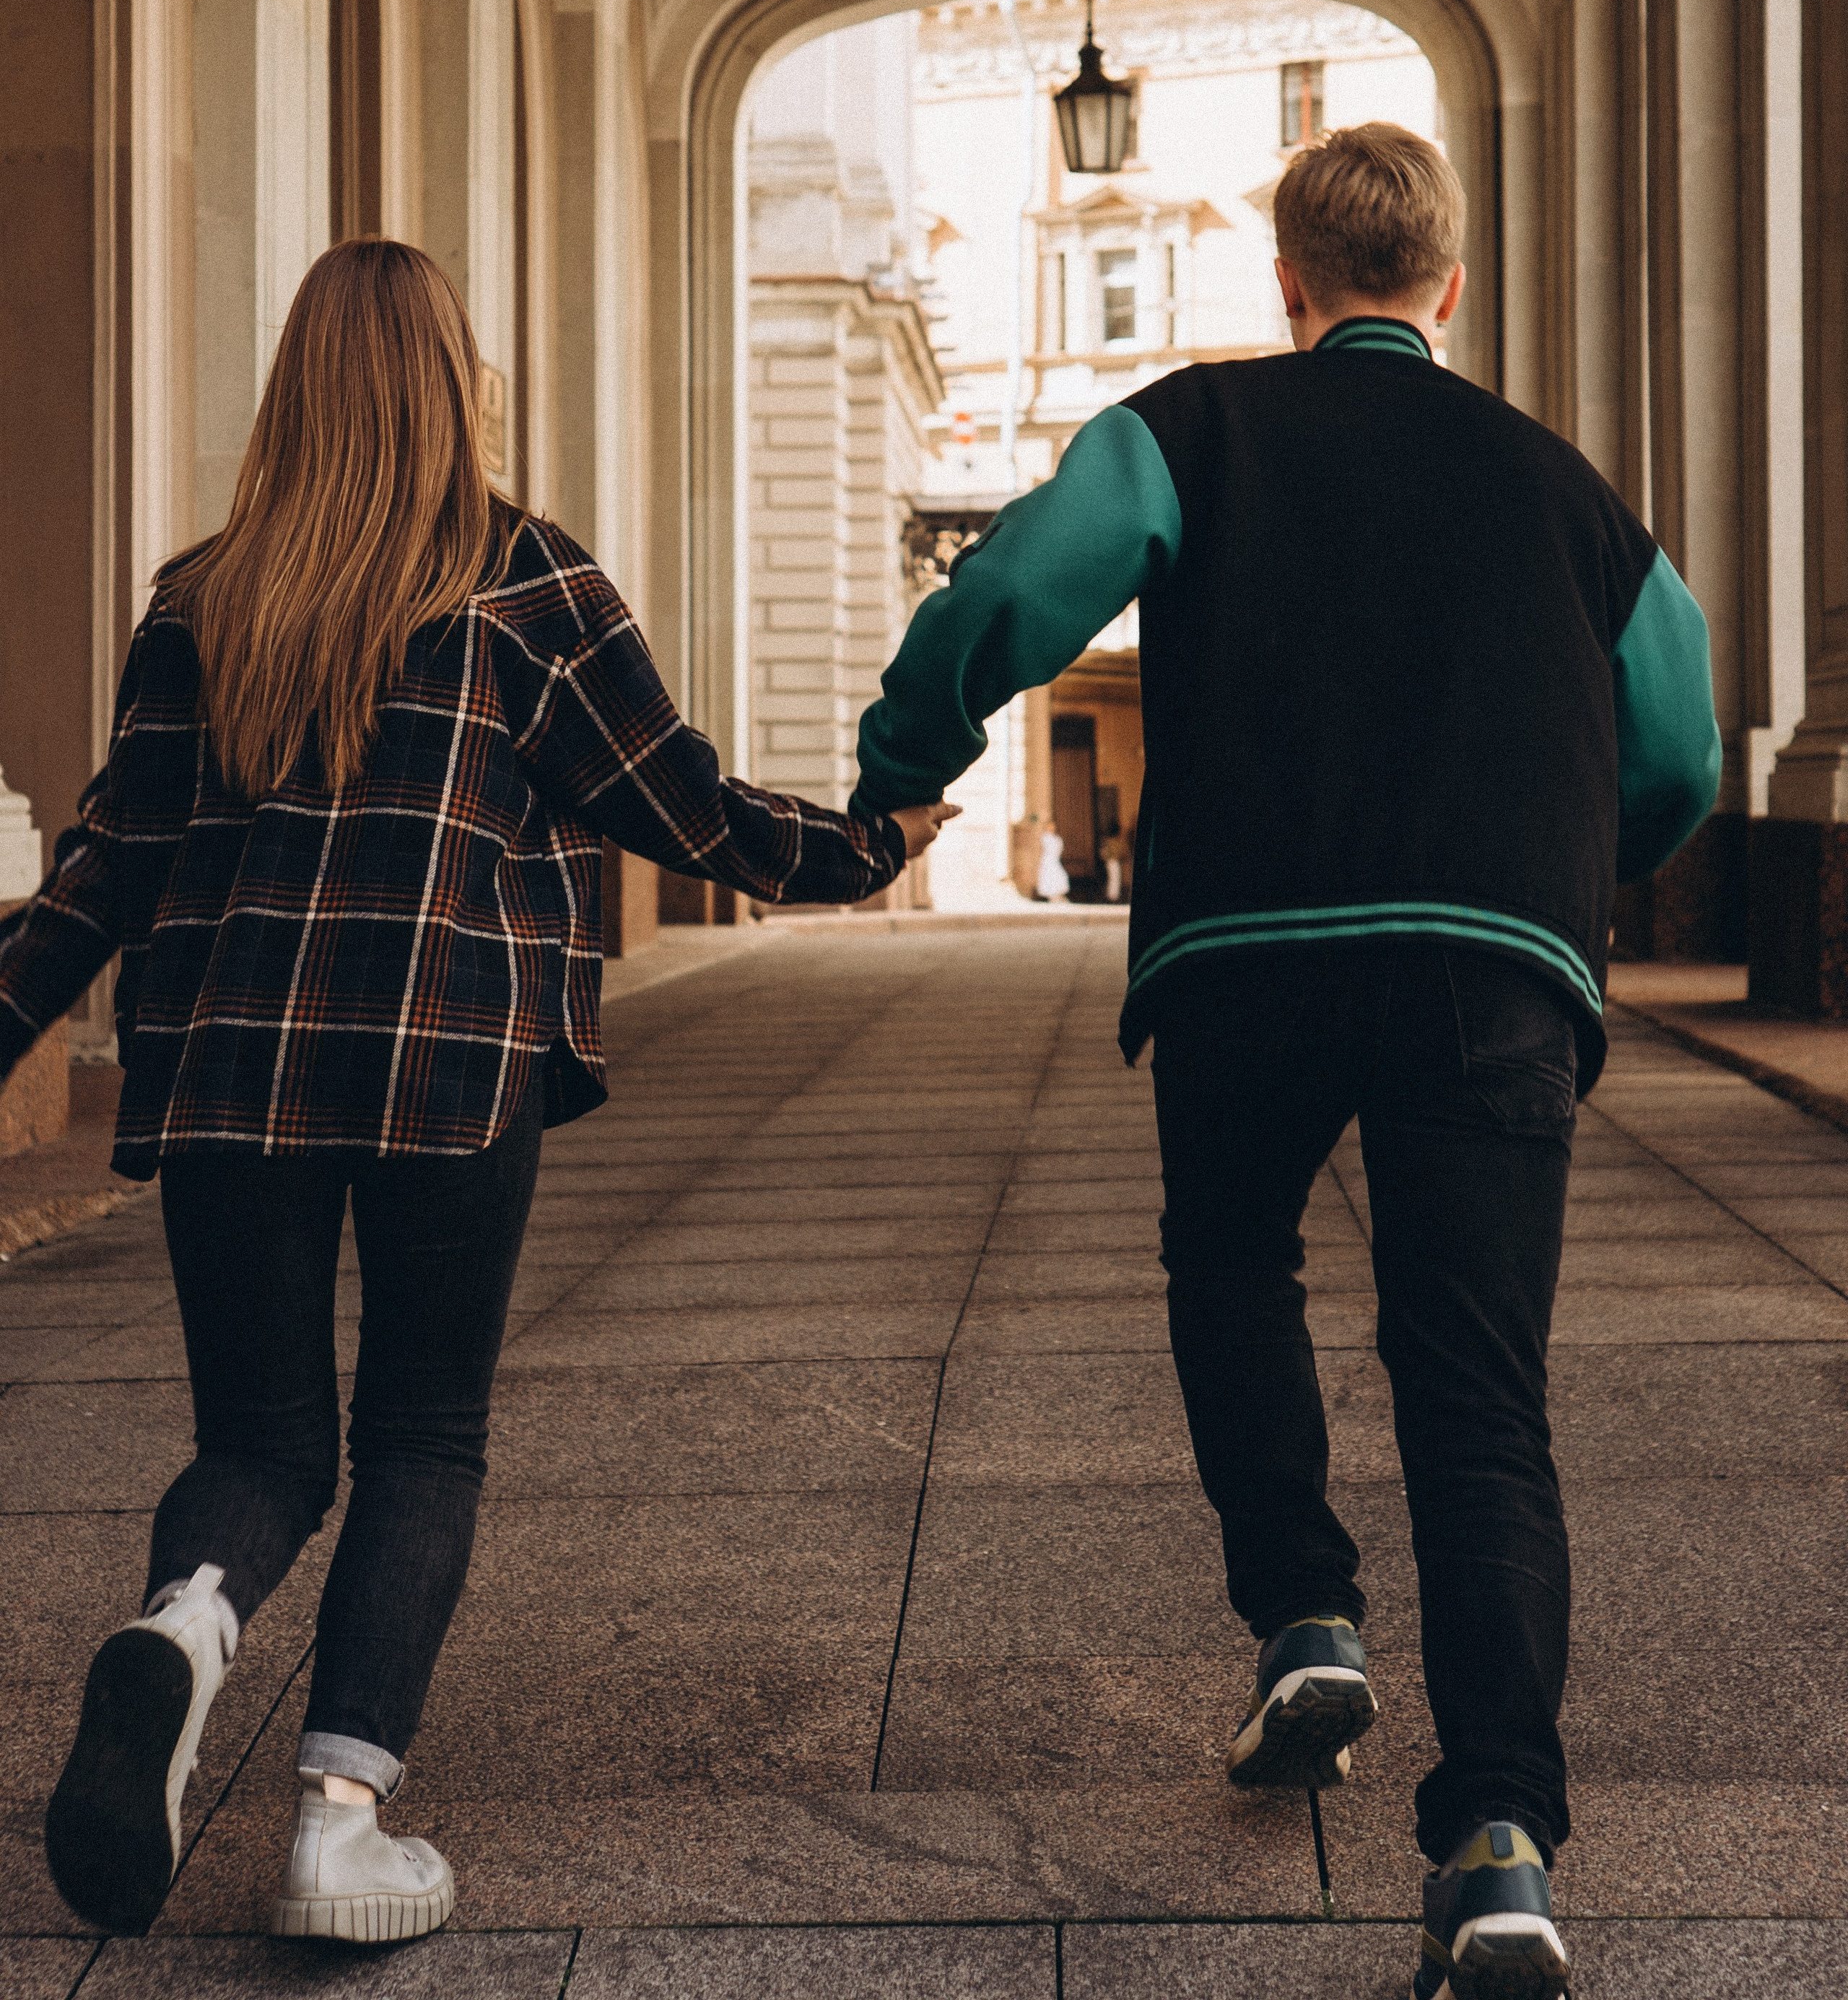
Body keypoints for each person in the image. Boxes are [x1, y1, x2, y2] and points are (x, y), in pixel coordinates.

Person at [851, 123, 1720, 2000]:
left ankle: (1305, 1611)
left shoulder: (1197, 428)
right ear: (1452, 288)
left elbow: (1017, 590)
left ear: (1292, 283)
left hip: (1250, 941)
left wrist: (902, 756)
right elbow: (1683, 750)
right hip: (1492, 960)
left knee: (1234, 1260)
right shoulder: (1571, 491)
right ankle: (1498, 1846)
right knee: (1479, 1386)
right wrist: (1570, 879)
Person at [0, 240, 954, 1947]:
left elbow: (101, 869)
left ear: (292, 390)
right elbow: (686, 807)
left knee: (259, 1443)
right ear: (460, 385)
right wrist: (866, 849)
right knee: (422, 1434)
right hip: (448, 1064)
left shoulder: (198, 597)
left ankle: (188, 1623)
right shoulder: (530, 588)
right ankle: (336, 1824)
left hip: (229, 1073)